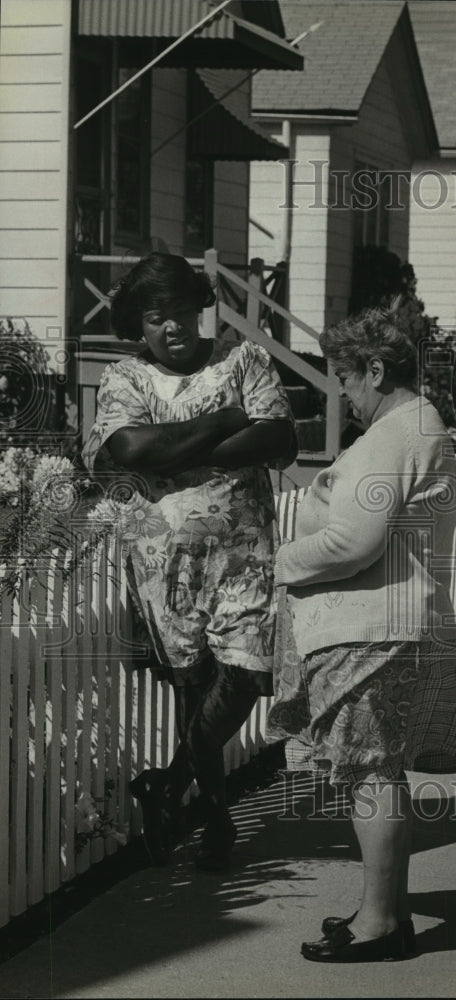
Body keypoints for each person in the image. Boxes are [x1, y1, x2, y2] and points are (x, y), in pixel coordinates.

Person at [267, 300, 456, 962]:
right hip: (390, 626)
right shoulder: (418, 429)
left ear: (377, 368)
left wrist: (279, 562)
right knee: (379, 773)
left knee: (371, 775)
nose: (347, 396)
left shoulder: (395, 436)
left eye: (349, 379)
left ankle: (382, 925)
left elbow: (355, 542)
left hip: (373, 630)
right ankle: (381, 911)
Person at [82, 252, 297, 869]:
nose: (172, 327)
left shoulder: (243, 357)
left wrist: (172, 451)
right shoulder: (124, 377)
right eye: (156, 318)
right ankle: (219, 820)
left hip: (247, 554)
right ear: (139, 324)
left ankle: (171, 784)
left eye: (180, 312)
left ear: (199, 309)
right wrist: (228, 419)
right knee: (195, 685)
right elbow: (128, 445)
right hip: (165, 566)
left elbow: (279, 438)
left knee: (249, 675)